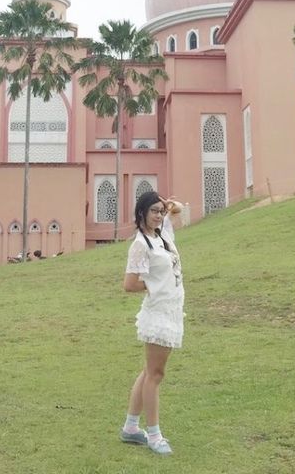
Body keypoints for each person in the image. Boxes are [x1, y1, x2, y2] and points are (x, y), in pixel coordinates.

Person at [120, 191, 184, 456]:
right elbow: (129, 284)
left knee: (149, 371)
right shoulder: (141, 244)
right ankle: (154, 434)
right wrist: (156, 285)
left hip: (172, 310)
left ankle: (131, 428)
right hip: (158, 314)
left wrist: (168, 206)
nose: (159, 215)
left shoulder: (162, 234)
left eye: (160, 211)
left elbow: (177, 208)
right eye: (153, 211)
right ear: (141, 213)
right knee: (156, 375)